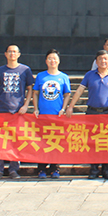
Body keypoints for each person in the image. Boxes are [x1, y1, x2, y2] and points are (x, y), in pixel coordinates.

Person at [66, 50, 108, 180]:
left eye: (105, 59)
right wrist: (70, 106)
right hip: (92, 113)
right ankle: (94, 169)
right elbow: (79, 91)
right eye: (100, 59)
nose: (103, 61)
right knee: (92, 142)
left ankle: (107, 170)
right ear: (96, 61)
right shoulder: (89, 75)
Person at [0, 44, 34, 180]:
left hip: (18, 111)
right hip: (1, 110)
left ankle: (13, 169)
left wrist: (26, 105)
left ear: (19, 54)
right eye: (10, 51)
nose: (12, 54)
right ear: (5, 54)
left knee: (16, 141)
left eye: (14, 52)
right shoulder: (0, 70)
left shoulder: (25, 70)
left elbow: (30, 89)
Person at [32, 49, 71, 179]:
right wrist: (36, 108)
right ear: (46, 61)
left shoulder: (63, 77)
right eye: (50, 58)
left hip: (57, 116)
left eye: (54, 58)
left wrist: (63, 108)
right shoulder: (41, 76)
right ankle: (41, 169)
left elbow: (67, 94)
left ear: (59, 61)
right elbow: (35, 93)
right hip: (43, 115)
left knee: (56, 142)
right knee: (42, 142)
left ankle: (55, 168)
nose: (52, 61)